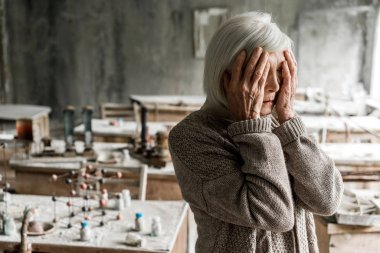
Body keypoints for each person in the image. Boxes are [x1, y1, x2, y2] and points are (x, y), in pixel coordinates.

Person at [169, 12, 343, 253]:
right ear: (225, 77)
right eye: (260, 74)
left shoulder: (282, 126)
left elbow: (327, 201)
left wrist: (290, 122)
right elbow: (275, 215)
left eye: (280, 72)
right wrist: (251, 125)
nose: (274, 85)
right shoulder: (191, 138)